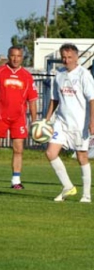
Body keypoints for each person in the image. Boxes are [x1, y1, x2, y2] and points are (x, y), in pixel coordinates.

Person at [44, 43, 94, 203]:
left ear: (77, 57)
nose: (66, 60)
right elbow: (54, 99)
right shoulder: (59, 75)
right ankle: (68, 186)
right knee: (50, 153)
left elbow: (93, 98)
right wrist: (46, 120)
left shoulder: (84, 74)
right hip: (62, 122)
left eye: (69, 57)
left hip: (79, 123)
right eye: (63, 57)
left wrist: (92, 121)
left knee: (81, 156)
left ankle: (86, 194)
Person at [0, 46, 38, 189]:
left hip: (18, 118)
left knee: (18, 149)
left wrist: (34, 122)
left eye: (18, 56)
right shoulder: (1, 72)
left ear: (22, 57)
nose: (15, 59)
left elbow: (32, 100)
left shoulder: (27, 76)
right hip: (1, 116)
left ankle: (16, 181)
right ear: (8, 57)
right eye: (13, 56)